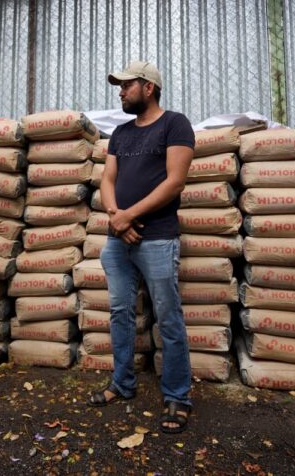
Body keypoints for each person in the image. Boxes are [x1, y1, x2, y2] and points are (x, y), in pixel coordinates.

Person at [88, 61, 195, 434]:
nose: (120, 92)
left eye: (126, 85)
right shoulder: (120, 133)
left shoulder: (175, 125)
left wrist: (128, 217)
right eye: (119, 86)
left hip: (159, 237)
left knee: (168, 316)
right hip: (119, 239)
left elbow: (175, 182)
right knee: (120, 312)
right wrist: (116, 218)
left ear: (149, 87)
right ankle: (122, 382)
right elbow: (108, 180)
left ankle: (177, 396)